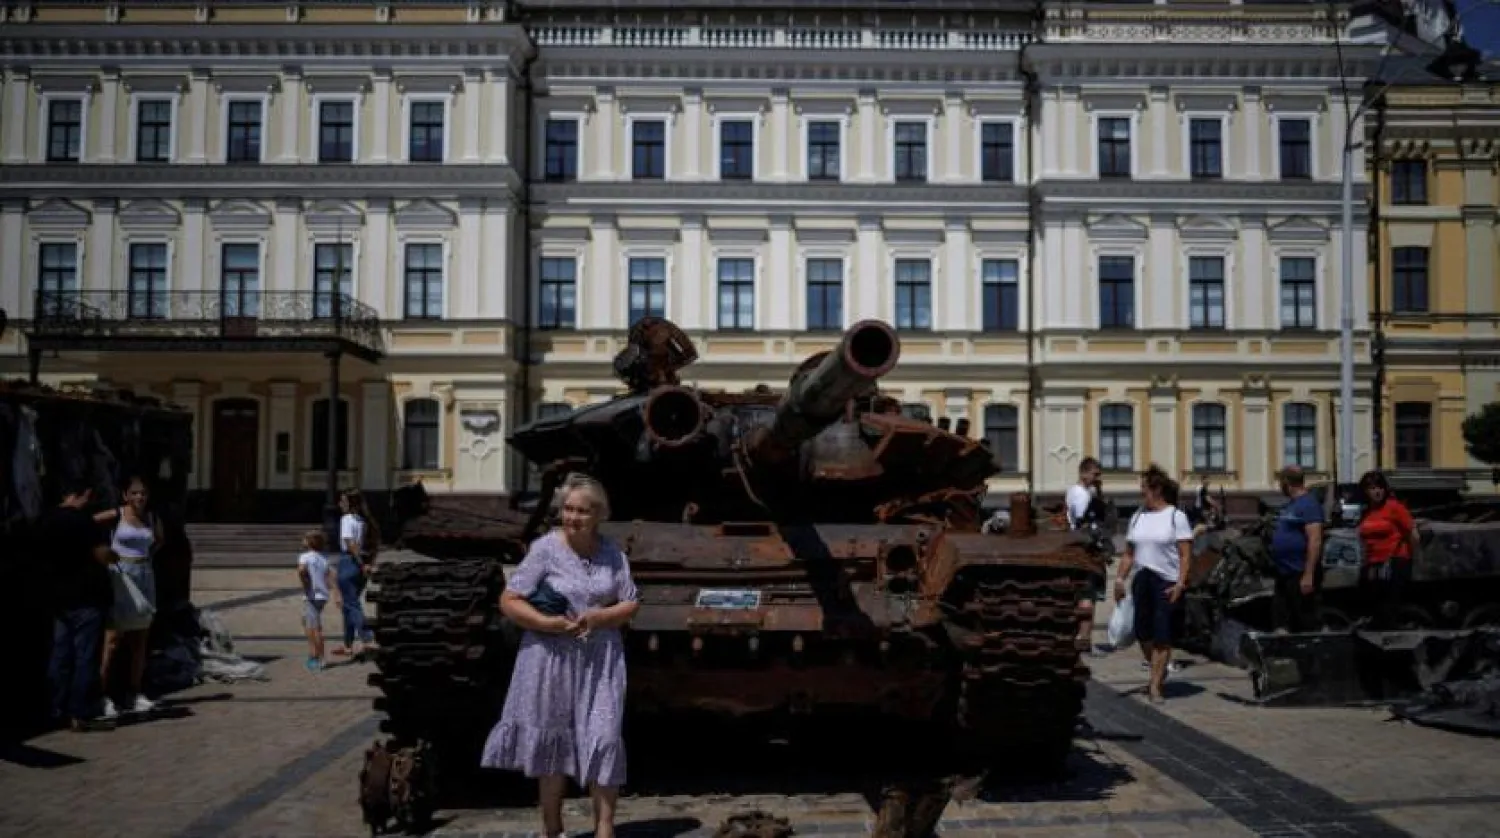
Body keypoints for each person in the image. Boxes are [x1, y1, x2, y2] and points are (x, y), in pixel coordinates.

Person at [481, 474, 639, 838]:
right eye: (567, 509)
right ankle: (552, 829)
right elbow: (510, 599)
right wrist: (547, 623)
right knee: (553, 742)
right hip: (549, 658)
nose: (572, 517)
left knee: (605, 736)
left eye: (582, 511)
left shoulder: (612, 553)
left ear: (598, 515)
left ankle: (604, 829)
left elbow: (631, 601)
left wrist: (600, 617)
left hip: (600, 660)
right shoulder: (545, 550)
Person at [1114, 465, 1193, 704]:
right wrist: (1119, 578)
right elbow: (1129, 553)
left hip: (1166, 581)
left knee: (1162, 634)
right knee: (1142, 631)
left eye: (1144, 489)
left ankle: (1155, 685)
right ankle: (1159, 669)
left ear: (1157, 490)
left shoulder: (1175, 517)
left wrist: (1181, 582)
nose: (1141, 494)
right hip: (1142, 579)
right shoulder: (1138, 516)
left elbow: (1185, 555)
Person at [44, 480, 116, 732]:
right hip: (86, 596)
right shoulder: (83, 522)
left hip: (59, 598)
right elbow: (102, 555)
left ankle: (55, 707)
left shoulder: (47, 520)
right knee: (85, 656)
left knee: (60, 655)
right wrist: (113, 555)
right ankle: (78, 711)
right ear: (82, 495)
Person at [94, 475, 163, 717]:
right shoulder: (117, 515)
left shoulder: (151, 517)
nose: (139, 497)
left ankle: (134, 692)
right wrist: (104, 554)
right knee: (113, 638)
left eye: (143, 493)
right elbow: (89, 525)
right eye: (134, 493)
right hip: (121, 576)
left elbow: (159, 540)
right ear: (125, 495)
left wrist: (147, 557)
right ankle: (101, 695)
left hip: (144, 574)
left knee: (140, 638)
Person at [1356, 471, 1418, 628]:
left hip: (1395, 560)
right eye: (1372, 488)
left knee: (1389, 605)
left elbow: (1413, 534)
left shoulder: (1394, 508)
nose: (1377, 491)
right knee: (1374, 605)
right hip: (1373, 562)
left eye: (1379, 487)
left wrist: (1412, 557)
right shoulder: (1367, 512)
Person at [1268, 465, 1325, 633]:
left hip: (1300, 571)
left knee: (1305, 619)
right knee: (1281, 619)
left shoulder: (1309, 504)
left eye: (1280, 482)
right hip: (1284, 572)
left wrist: (1308, 575)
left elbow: (1315, 540)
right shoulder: (1291, 505)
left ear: (1286, 482)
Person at [1064, 457, 1108, 651]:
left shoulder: (1073, 491)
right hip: (1088, 549)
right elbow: (1087, 523)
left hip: (1074, 547)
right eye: (1095, 474)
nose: (1097, 478)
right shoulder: (1083, 496)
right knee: (1089, 594)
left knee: (1081, 594)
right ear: (1084, 473)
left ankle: (1078, 636)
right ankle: (1084, 639)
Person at [334, 488, 379, 658]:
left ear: (350, 503)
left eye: (343, 501)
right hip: (361, 564)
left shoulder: (347, 519)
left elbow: (350, 543)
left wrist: (360, 563)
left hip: (349, 562)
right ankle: (347, 644)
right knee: (348, 605)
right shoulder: (364, 521)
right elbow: (372, 545)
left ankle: (368, 639)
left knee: (352, 604)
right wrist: (368, 564)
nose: (340, 504)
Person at [298, 530, 336, 671]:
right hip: (322, 596)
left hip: (312, 596)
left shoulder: (305, 557)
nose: (303, 541)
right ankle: (313, 654)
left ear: (310, 542)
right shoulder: (323, 558)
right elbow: (330, 576)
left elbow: (301, 571)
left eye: (305, 539)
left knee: (316, 628)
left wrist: (305, 583)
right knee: (307, 622)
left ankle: (320, 658)